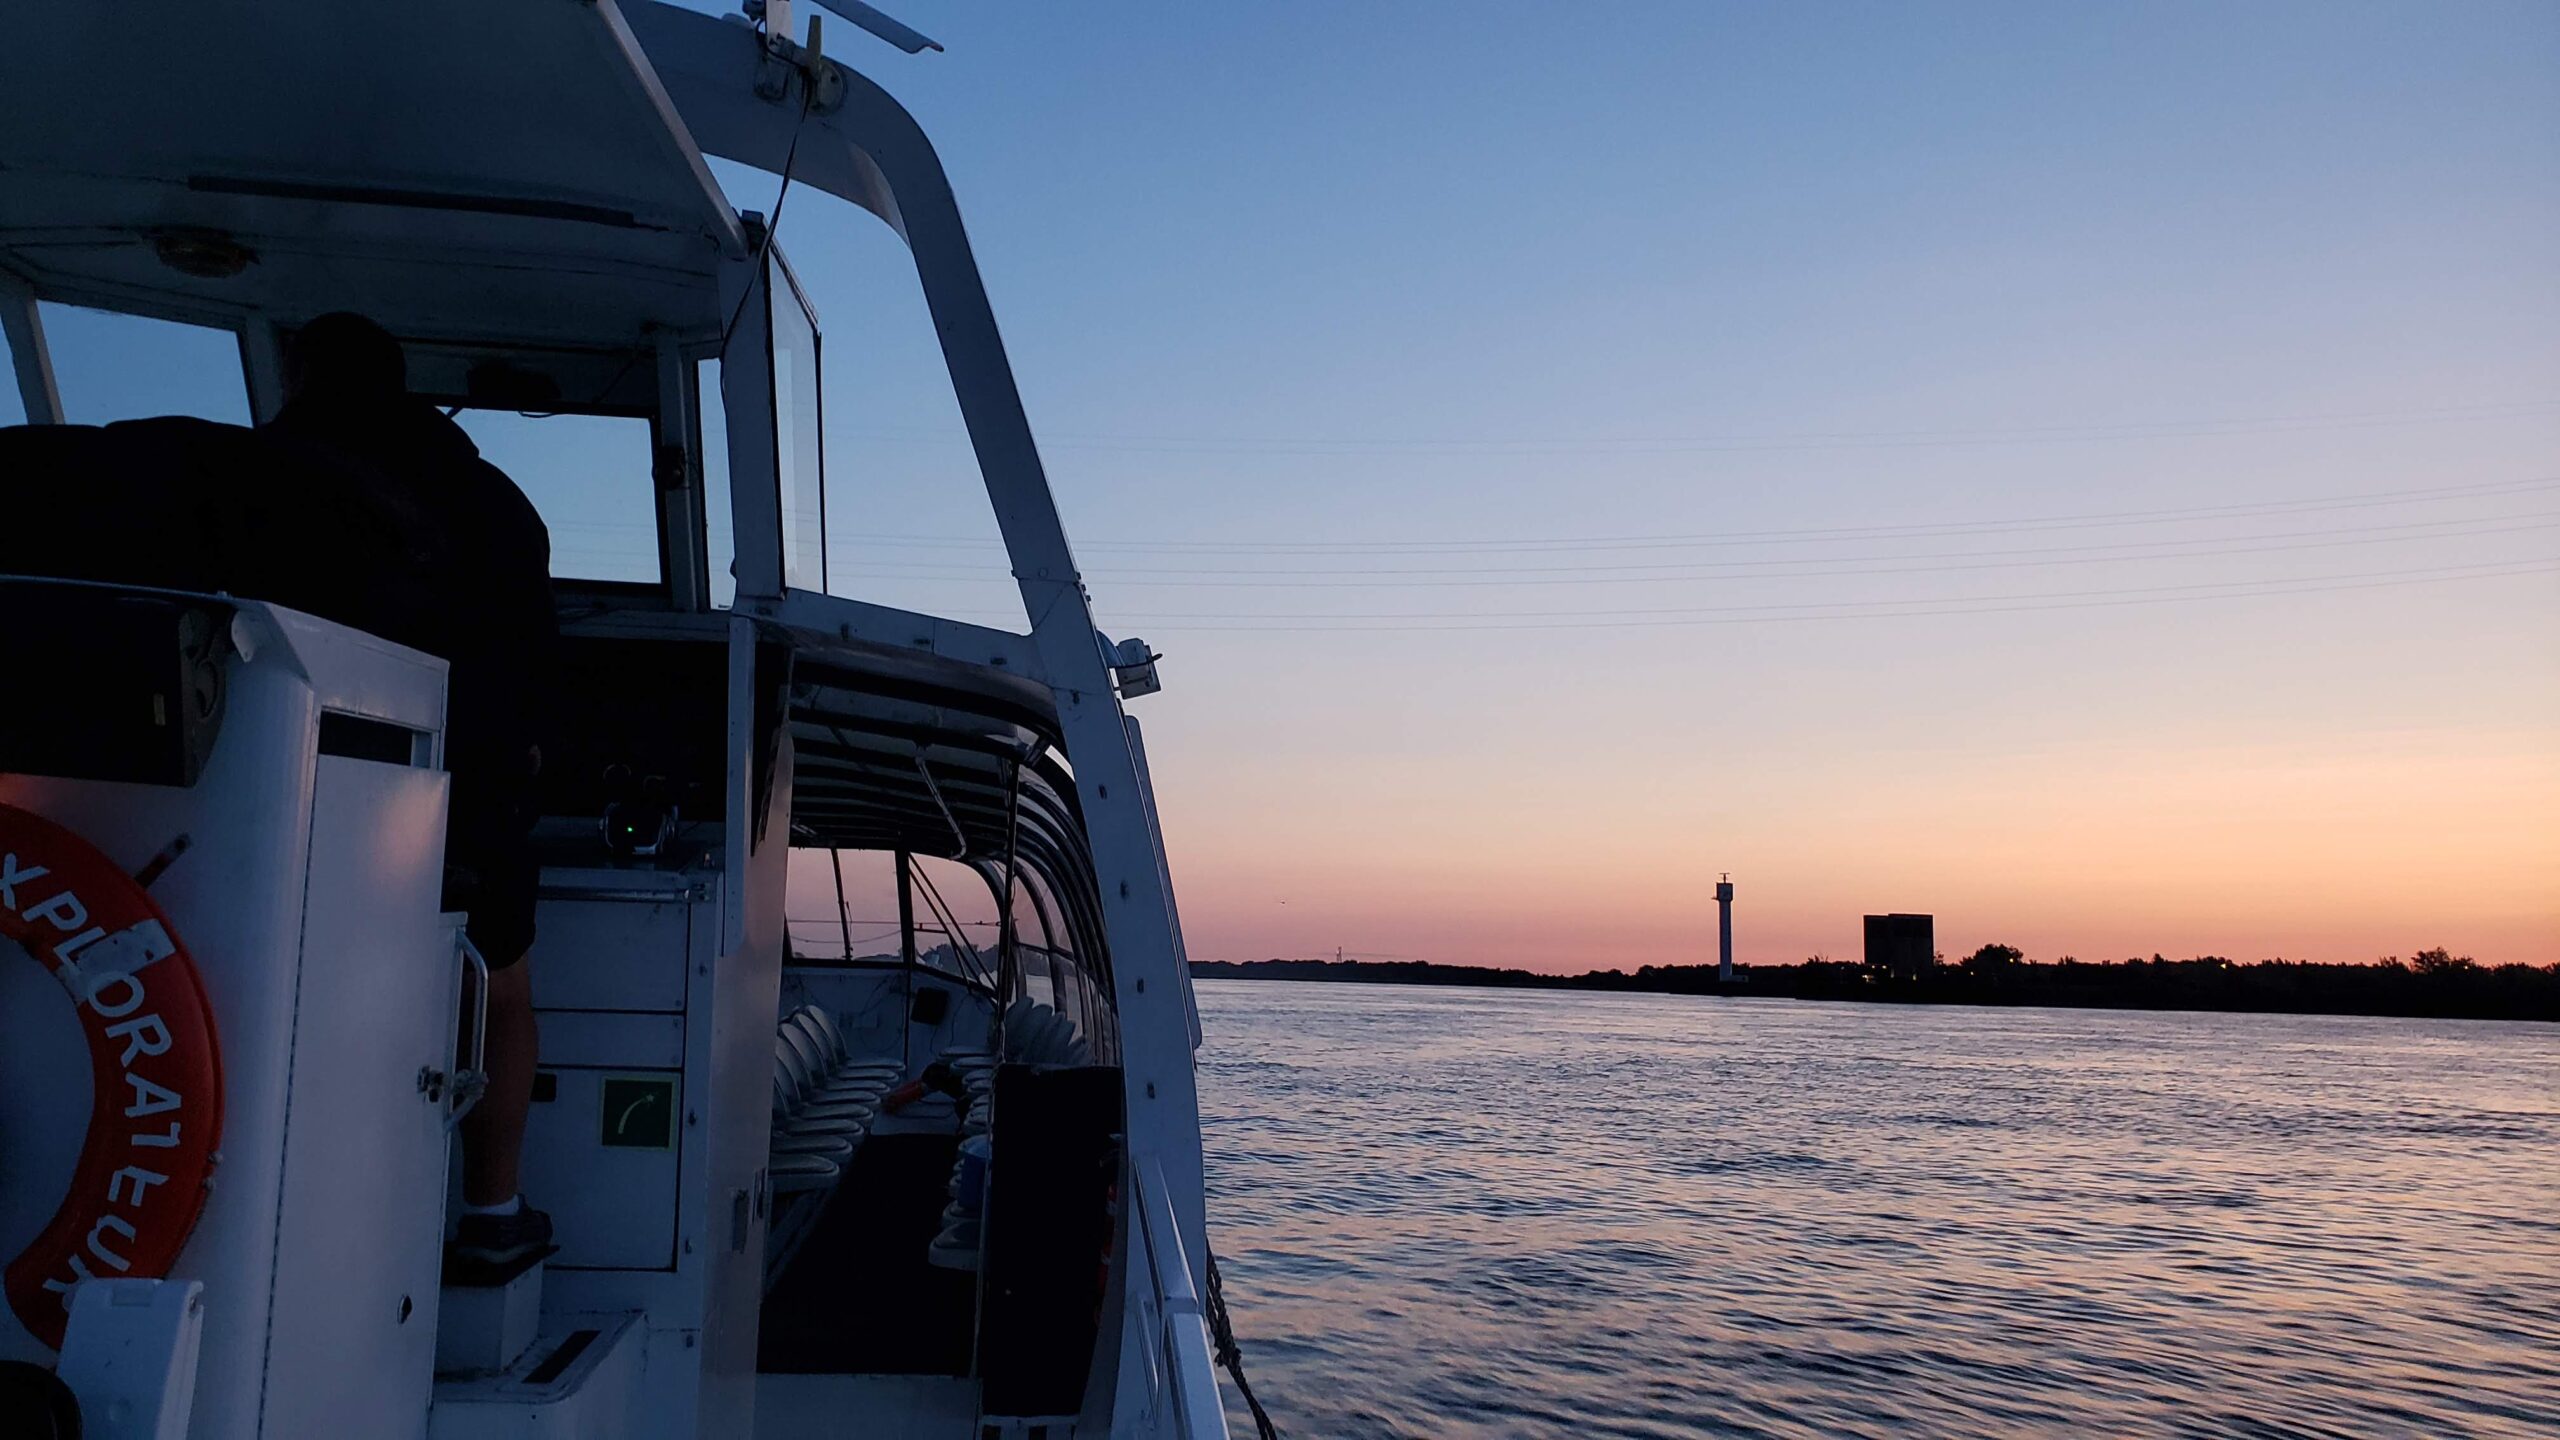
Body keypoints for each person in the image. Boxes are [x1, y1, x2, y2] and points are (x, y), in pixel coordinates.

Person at [266, 313, 560, 1267]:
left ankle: (295, 1212)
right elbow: (531, 663)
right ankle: (490, 1216)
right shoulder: (498, 506)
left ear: (302, 380)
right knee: (500, 990)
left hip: (280, 775)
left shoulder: (251, 477)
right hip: (463, 786)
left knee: (294, 971)